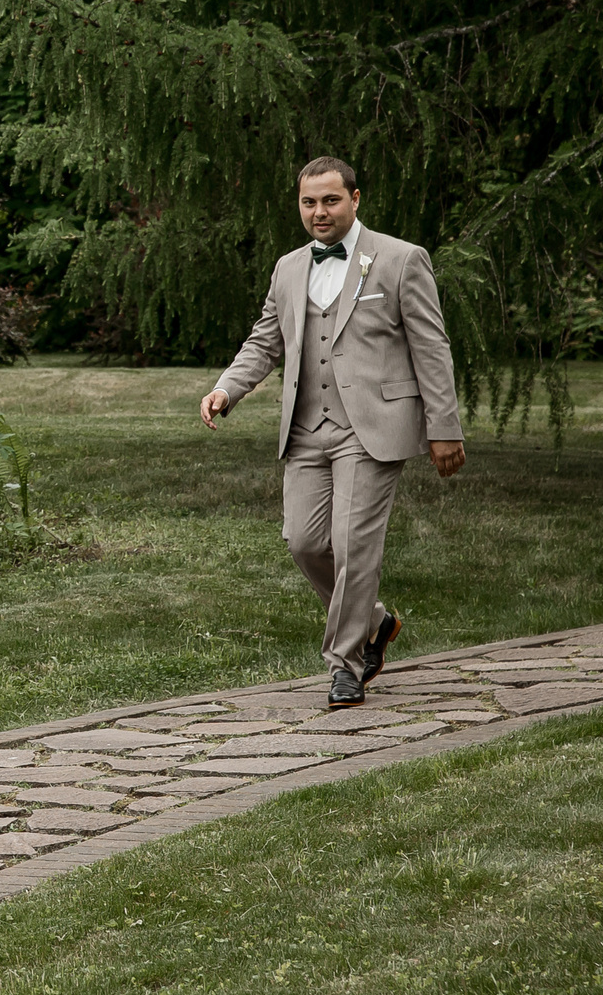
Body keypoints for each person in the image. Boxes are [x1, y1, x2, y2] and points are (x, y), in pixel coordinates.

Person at [198, 157, 466, 706]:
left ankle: (345, 663)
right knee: (303, 542)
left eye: (330, 200)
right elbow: (265, 341)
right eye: (308, 202)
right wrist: (228, 388)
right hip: (305, 428)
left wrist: (444, 427)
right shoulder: (288, 268)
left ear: (355, 199)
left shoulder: (400, 259)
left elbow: (432, 349)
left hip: (371, 429)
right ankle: (376, 620)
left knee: (351, 545)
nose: (318, 212)